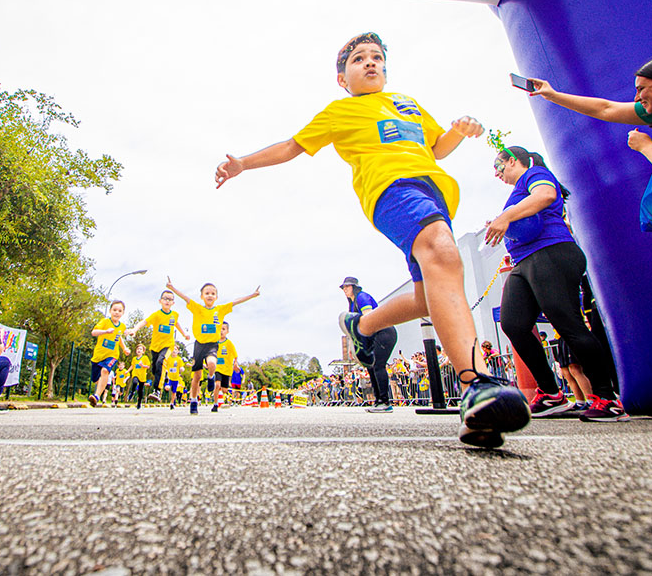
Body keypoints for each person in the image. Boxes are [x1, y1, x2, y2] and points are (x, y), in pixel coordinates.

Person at [214, 31, 530, 447]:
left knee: (429, 293)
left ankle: (363, 325)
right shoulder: (339, 112)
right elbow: (292, 146)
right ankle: (476, 383)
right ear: (343, 79)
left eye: (377, 57)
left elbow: (435, 148)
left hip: (434, 191)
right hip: (391, 189)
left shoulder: (408, 104)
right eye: (359, 59)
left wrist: (458, 130)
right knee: (443, 254)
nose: (370, 63)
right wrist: (243, 164)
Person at [528, 52, 652, 249]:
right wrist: (553, 96)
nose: (637, 97)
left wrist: (646, 147)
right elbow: (606, 109)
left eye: (641, 89)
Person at [485, 146, 628, 422]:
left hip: (552, 252)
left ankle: (607, 398)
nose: (496, 173)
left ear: (514, 161)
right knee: (513, 324)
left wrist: (506, 216)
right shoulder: (517, 193)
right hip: (524, 261)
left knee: (567, 323)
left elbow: (546, 195)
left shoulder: (536, 174)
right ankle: (551, 394)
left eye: (499, 166)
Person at [165, 277, 260, 415]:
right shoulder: (197, 308)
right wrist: (172, 288)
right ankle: (193, 401)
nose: (210, 295)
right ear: (202, 296)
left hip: (212, 345)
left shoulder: (220, 310)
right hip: (199, 345)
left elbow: (235, 302)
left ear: (216, 297)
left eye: (212, 293)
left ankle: (211, 376)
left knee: (211, 363)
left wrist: (252, 295)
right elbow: (185, 298)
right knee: (196, 377)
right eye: (207, 293)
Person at [340, 277, 398, 413]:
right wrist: (352, 347)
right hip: (373, 335)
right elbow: (353, 329)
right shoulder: (352, 305)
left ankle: (385, 401)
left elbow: (368, 317)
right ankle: (378, 401)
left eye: (347, 287)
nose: (345, 289)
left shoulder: (362, 297)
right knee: (371, 367)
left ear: (354, 287)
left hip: (384, 332)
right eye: (343, 287)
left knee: (378, 365)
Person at [126, 290, 191, 402]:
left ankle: (157, 390)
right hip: (155, 346)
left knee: (161, 362)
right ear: (160, 301)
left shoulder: (174, 315)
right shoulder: (156, 315)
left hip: (168, 345)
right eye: (165, 298)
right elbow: (144, 322)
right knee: (155, 368)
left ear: (173, 303)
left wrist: (184, 334)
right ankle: (164, 376)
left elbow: (176, 324)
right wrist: (135, 329)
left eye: (170, 299)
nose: (167, 301)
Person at [89, 300, 131, 407]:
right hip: (98, 356)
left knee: (105, 371)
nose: (117, 312)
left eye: (119, 311)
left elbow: (119, 337)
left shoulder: (122, 326)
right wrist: (105, 331)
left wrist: (124, 348)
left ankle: (96, 396)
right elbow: (94, 332)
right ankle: (99, 390)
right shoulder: (104, 322)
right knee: (95, 378)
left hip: (112, 355)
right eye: (115, 310)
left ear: (123, 313)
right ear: (110, 311)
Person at [212, 321, 240, 412]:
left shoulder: (229, 343)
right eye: (219, 329)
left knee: (224, 389)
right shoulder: (214, 343)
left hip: (227, 369)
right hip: (217, 368)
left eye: (223, 329)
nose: (221, 331)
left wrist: (235, 363)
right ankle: (215, 404)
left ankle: (227, 400)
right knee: (217, 385)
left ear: (227, 331)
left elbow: (235, 355)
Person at [128, 344, 151, 410]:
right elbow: (132, 366)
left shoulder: (145, 358)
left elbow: (148, 366)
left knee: (140, 390)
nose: (139, 350)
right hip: (135, 374)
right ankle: (132, 392)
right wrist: (127, 371)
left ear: (143, 351)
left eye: (140, 349)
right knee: (134, 382)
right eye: (138, 349)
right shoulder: (134, 359)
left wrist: (143, 365)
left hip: (142, 376)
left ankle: (139, 402)